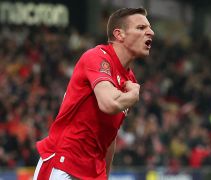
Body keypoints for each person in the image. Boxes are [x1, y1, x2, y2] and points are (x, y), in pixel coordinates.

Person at [33, 7, 154, 180]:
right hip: (64, 164)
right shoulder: (97, 57)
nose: (150, 32)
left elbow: (109, 135)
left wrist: (105, 175)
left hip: (94, 172)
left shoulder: (129, 79)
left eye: (149, 27)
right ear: (119, 35)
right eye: (141, 28)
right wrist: (132, 96)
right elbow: (108, 103)